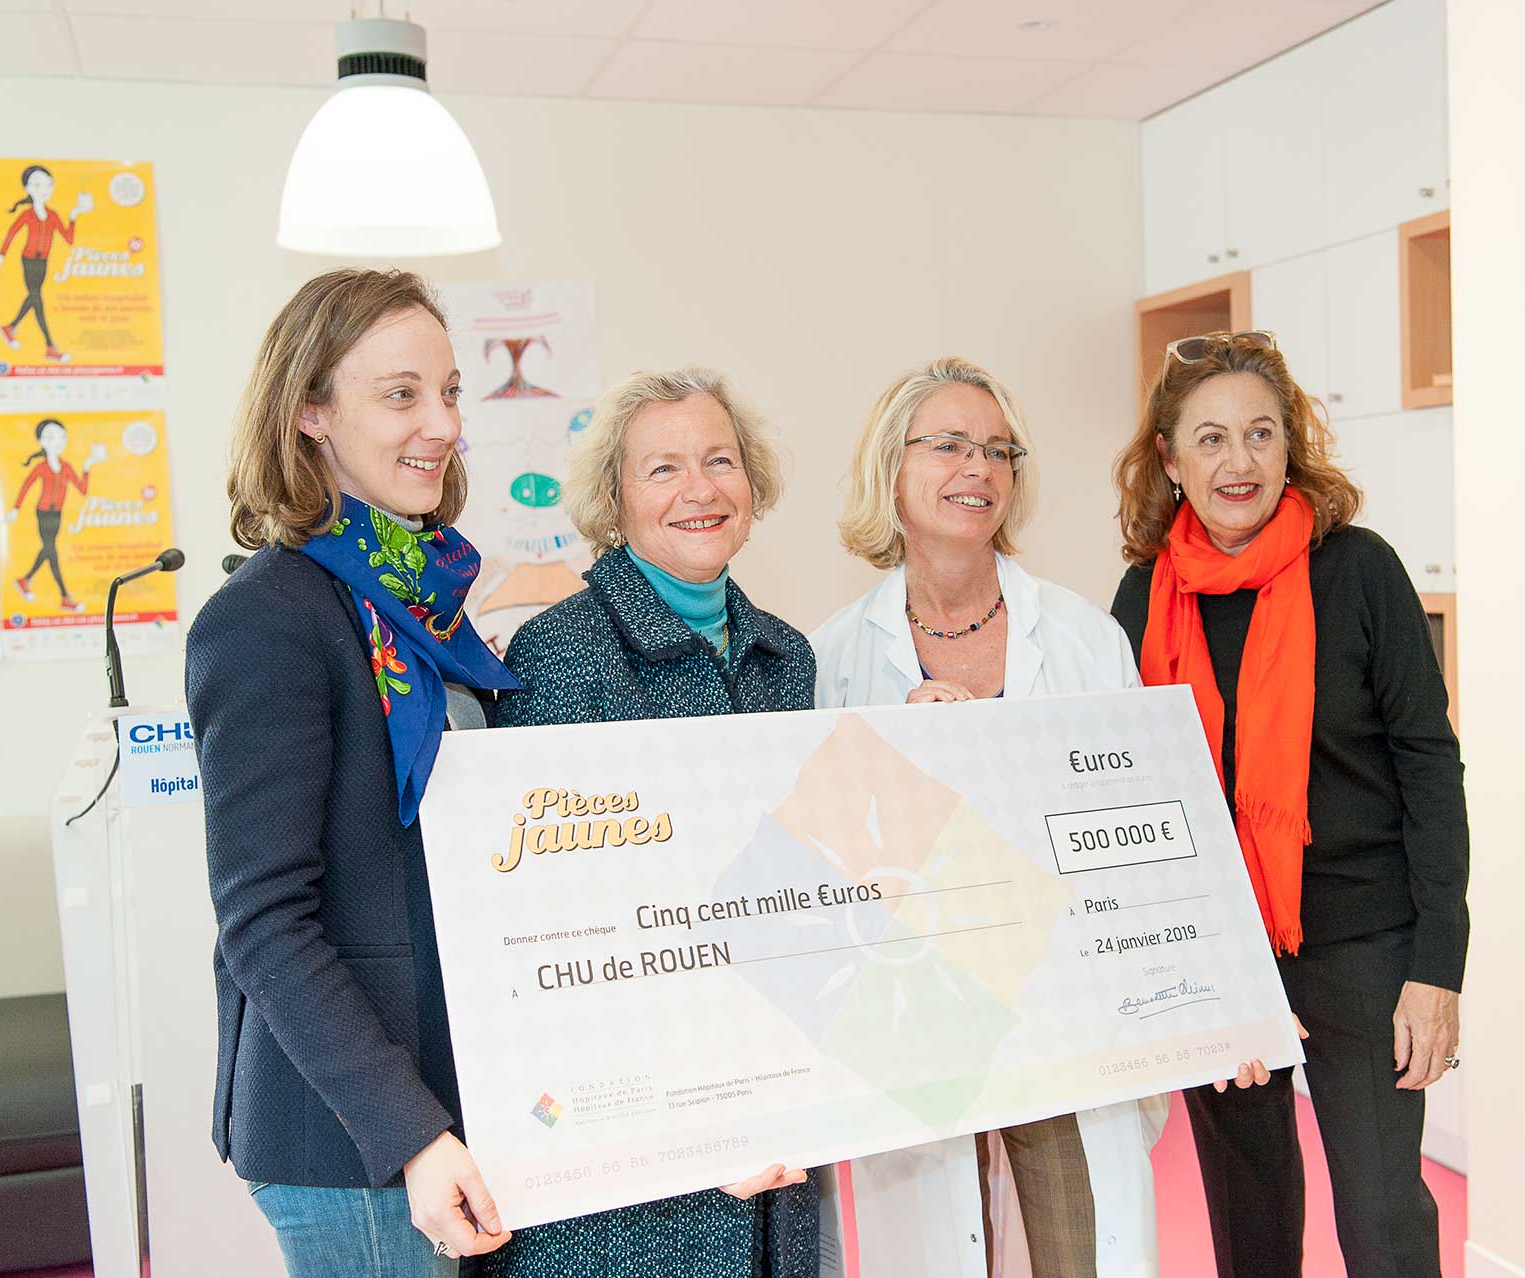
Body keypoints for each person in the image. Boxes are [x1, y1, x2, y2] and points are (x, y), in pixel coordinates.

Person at [1108, 330, 1469, 1278]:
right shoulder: (1144, 597)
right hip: (1216, 951)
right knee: (1248, 1211)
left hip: (1364, 944)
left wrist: (1439, 967)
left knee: (1386, 1214)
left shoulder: (1358, 570)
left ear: (1290, 447)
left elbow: (1430, 766)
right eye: (1213, 437)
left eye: (1262, 434)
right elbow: (1120, 784)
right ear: (1170, 459)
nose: (1240, 461)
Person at [188, 269, 523, 1277]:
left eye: (451, 391)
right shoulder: (265, 620)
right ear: (310, 414)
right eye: (401, 393)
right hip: (354, 1135)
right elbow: (264, 922)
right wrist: (411, 1134)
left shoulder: (421, 606)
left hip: (452, 1098)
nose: (440, 422)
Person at [808, 355, 1169, 1278]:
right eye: (950, 446)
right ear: (891, 467)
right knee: (940, 1250)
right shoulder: (837, 656)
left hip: (1064, 1004)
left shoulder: (1085, 636)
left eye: (998, 450)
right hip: (921, 1013)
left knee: (1078, 1249)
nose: (979, 468)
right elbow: (819, 868)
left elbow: (1143, 831)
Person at [485, 367, 818, 1278]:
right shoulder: (561, 652)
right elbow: (553, 937)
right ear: (614, 498)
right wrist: (705, 1117)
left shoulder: (788, 656)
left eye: (720, 460)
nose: (701, 489)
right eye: (663, 469)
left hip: (774, 1111)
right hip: (622, 1145)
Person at [0, 164, 90, 363]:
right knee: (37, 300)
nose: (43, 189)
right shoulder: (27, 214)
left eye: (47, 184)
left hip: (43, 263)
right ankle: (50, 347)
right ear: (27, 188)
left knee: (34, 299)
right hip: (28, 261)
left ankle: (10, 328)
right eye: (37, 184)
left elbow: (68, 239)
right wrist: (1, 255)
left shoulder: (53, 216)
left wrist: (74, 215)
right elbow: (12, 233)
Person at [6, 417, 103, 613]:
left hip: (57, 514)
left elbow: (82, 489)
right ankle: (65, 596)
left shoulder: (66, 466)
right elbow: (26, 486)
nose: (57, 441)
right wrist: (16, 509)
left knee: (48, 550)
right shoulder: (41, 467)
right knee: (52, 552)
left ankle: (25, 581)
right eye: (50, 437)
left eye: (61, 437)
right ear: (41, 441)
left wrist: (87, 465)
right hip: (43, 513)